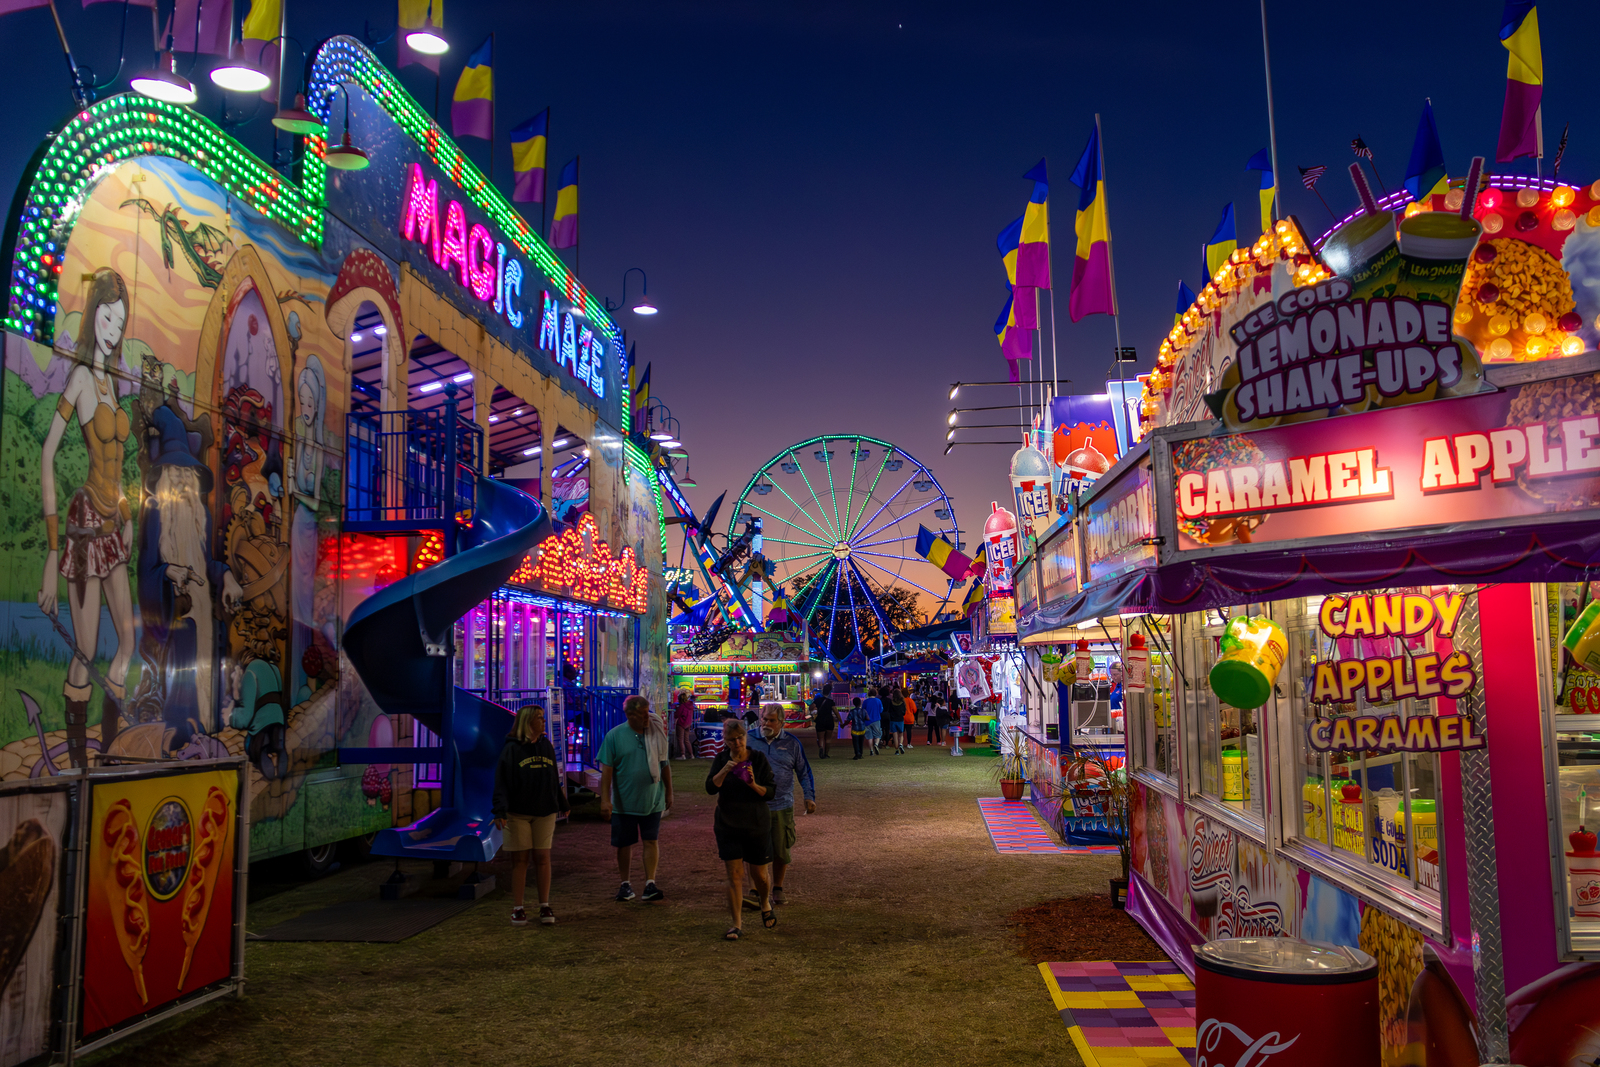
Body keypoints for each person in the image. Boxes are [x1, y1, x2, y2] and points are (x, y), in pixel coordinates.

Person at [40, 269, 138, 767]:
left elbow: (115, 468)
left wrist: (126, 511)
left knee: (127, 640)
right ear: (93, 314)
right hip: (81, 530)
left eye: (120, 321)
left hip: (110, 529)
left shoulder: (111, 385)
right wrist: (51, 552)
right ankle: (78, 760)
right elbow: (47, 455)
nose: (112, 328)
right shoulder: (79, 378)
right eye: (106, 316)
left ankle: (107, 749)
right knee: (85, 650)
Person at [492, 703, 569, 926]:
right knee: (520, 859)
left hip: (544, 810)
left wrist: (562, 802)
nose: (543, 721)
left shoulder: (546, 746)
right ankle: (518, 908)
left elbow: (553, 777)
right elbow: (502, 782)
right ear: (527, 722)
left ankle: (544, 905)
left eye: (543, 717)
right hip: (518, 813)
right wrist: (500, 810)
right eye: (539, 718)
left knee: (543, 857)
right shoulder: (512, 749)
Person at [598, 695, 673, 903]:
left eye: (648, 712)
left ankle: (650, 882)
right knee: (624, 844)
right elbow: (607, 772)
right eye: (643, 713)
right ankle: (625, 883)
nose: (648, 717)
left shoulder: (655, 733)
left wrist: (669, 791)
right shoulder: (614, 736)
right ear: (630, 715)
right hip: (624, 803)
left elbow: (664, 764)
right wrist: (605, 800)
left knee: (651, 839)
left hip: (653, 799)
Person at [706, 718, 776, 940]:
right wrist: (725, 770)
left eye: (740, 738)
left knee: (760, 875)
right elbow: (710, 788)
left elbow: (771, 792)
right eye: (732, 740)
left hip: (756, 824)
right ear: (725, 741)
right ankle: (736, 923)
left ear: (746, 736)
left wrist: (753, 784)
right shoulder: (721, 760)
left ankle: (764, 902)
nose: (737, 743)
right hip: (728, 824)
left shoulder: (758, 759)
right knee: (734, 875)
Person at [745, 704, 815, 906]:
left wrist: (809, 796)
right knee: (754, 849)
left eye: (771, 720)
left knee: (781, 849)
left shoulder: (792, 743)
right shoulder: (748, 739)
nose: (766, 723)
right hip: (754, 805)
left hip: (782, 804)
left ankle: (778, 887)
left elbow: (804, 771)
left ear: (782, 723)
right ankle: (754, 890)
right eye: (764, 719)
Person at [811, 688, 836, 759]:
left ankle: (821, 747)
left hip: (820, 720)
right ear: (829, 693)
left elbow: (811, 707)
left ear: (822, 692)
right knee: (828, 739)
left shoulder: (817, 700)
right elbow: (835, 711)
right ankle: (826, 754)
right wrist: (841, 721)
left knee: (820, 737)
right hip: (829, 720)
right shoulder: (831, 701)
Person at [672, 689, 696, 760]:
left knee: (680, 739)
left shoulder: (682, 706)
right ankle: (691, 754)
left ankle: (683, 755)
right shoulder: (691, 706)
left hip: (681, 723)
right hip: (688, 724)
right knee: (686, 740)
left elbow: (677, 715)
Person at [862, 687, 885, 755]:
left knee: (869, 736)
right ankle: (876, 744)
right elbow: (881, 710)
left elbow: (863, 710)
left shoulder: (866, 701)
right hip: (876, 719)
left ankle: (871, 751)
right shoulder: (878, 701)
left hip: (867, 721)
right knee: (878, 734)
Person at [886, 685, 909, 754]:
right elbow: (904, 712)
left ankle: (896, 750)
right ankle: (901, 744)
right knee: (901, 734)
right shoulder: (902, 702)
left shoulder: (891, 702)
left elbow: (889, 711)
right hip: (900, 720)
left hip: (893, 720)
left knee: (895, 735)